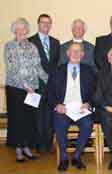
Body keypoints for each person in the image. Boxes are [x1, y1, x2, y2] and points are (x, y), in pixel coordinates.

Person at [47, 42, 96, 171]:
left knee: (88, 123)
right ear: (67, 53)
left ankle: (76, 156)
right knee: (59, 122)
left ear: (83, 54)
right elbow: (49, 92)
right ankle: (63, 157)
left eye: (78, 51)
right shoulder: (57, 71)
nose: (75, 54)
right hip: (64, 108)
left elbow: (96, 92)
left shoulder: (89, 71)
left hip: (81, 108)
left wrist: (89, 103)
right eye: (73, 51)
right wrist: (57, 105)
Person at [4, 18, 48, 162]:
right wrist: (25, 85)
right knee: (18, 120)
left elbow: (38, 66)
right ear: (15, 31)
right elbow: (12, 69)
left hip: (32, 89)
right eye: (19, 29)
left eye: (24, 29)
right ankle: (18, 150)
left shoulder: (32, 46)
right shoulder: (10, 46)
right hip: (16, 89)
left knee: (29, 119)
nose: (22, 31)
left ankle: (27, 148)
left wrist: (49, 81)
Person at [28, 13, 60, 152]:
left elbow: (56, 64)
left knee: (49, 116)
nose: (46, 25)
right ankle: (36, 145)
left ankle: (47, 145)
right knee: (36, 117)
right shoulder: (29, 42)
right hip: (35, 86)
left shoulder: (55, 42)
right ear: (38, 24)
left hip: (51, 86)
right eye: (43, 22)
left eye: (48, 23)